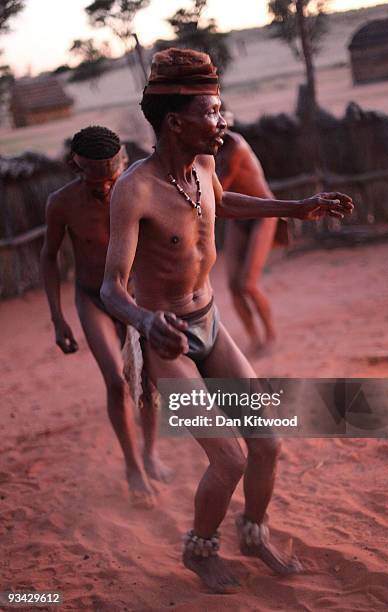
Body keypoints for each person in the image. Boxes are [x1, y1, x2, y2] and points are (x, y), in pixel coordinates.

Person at [101, 48, 354, 593]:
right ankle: (200, 547)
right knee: (229, 456)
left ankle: (255, 532)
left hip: (209, 323)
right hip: (164, 341)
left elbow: (222, 204)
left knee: (266, 441)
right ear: (175, 122)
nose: (223, 122)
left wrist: (295, 207)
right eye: (212, 112)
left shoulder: (205, 166)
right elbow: (110, 286)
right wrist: (144, 322)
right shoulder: (133, 190)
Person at [41, 126, 170, 508]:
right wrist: (57, 318)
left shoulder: (140, 190)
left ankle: (150, 453)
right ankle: (133, 467)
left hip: (136, 300)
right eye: (94, 182)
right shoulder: (61, 203)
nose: (104, 190)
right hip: (93, 299)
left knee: (148, 381)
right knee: (116, 382)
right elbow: (49, 257)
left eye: (111, 180)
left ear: (123, 165)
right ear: (76, 169)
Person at [215, 106, 281, 352]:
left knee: (248, 284)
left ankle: (271, 336)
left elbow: (217, 191)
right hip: (239, 217)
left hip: (262, 214)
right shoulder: (210, 151)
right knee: (233, 285)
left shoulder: (236, 147)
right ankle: (254, 338)